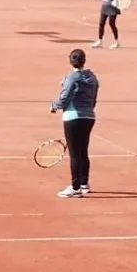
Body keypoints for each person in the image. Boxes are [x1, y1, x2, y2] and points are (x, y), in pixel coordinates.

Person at [49, 48, 99, 198]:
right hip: (89, 117)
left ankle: (75, 187)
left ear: (71, 60)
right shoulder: (93, 77)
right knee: (83, 151)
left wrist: (54, 106)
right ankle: (84, 184)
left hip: (73, 117)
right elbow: (94, 98)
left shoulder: (72, 77)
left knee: (75, 154)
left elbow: (65, 96)